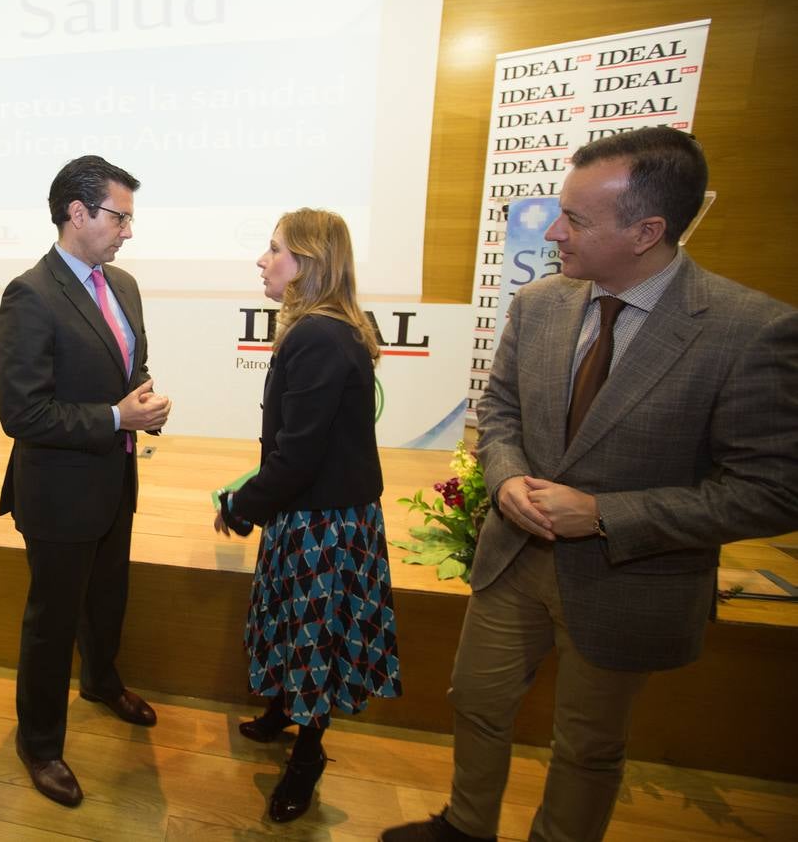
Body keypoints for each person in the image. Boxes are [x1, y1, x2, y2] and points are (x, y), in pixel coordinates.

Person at [381, 127, 798, 842]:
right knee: (476, 702)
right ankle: (464, 826)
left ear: (646, 231)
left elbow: (773, 490)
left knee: (588, 745)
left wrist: (605, 514)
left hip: (628, 578)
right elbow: (500, 413)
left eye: (574, 218)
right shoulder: (540, 304)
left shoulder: (748, 331)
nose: (552, 231)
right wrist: (507, 478)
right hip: (513, 559)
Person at [214, 208, 403, 823]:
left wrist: (242, 507)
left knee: (315, 635)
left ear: (309, 265)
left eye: (275, 250)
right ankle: (278, 713)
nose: (262, 261)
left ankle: (308, 756)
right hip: (311, 515)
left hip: (324, 524)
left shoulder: (319, 335)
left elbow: (297, 455)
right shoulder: (324, 329)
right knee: (292, 622)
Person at [0, 154, 172, 807]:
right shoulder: (31, 295)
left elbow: (132, 368)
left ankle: (100, 681)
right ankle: (39, 743)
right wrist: (114, 416)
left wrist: (141, 408)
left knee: (108, 600)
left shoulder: (121, 285)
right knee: (53, 619)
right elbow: (22, 412)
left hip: (113, 479)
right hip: (59, 494)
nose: (128, 230)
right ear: (77, 212)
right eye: (119, 216)